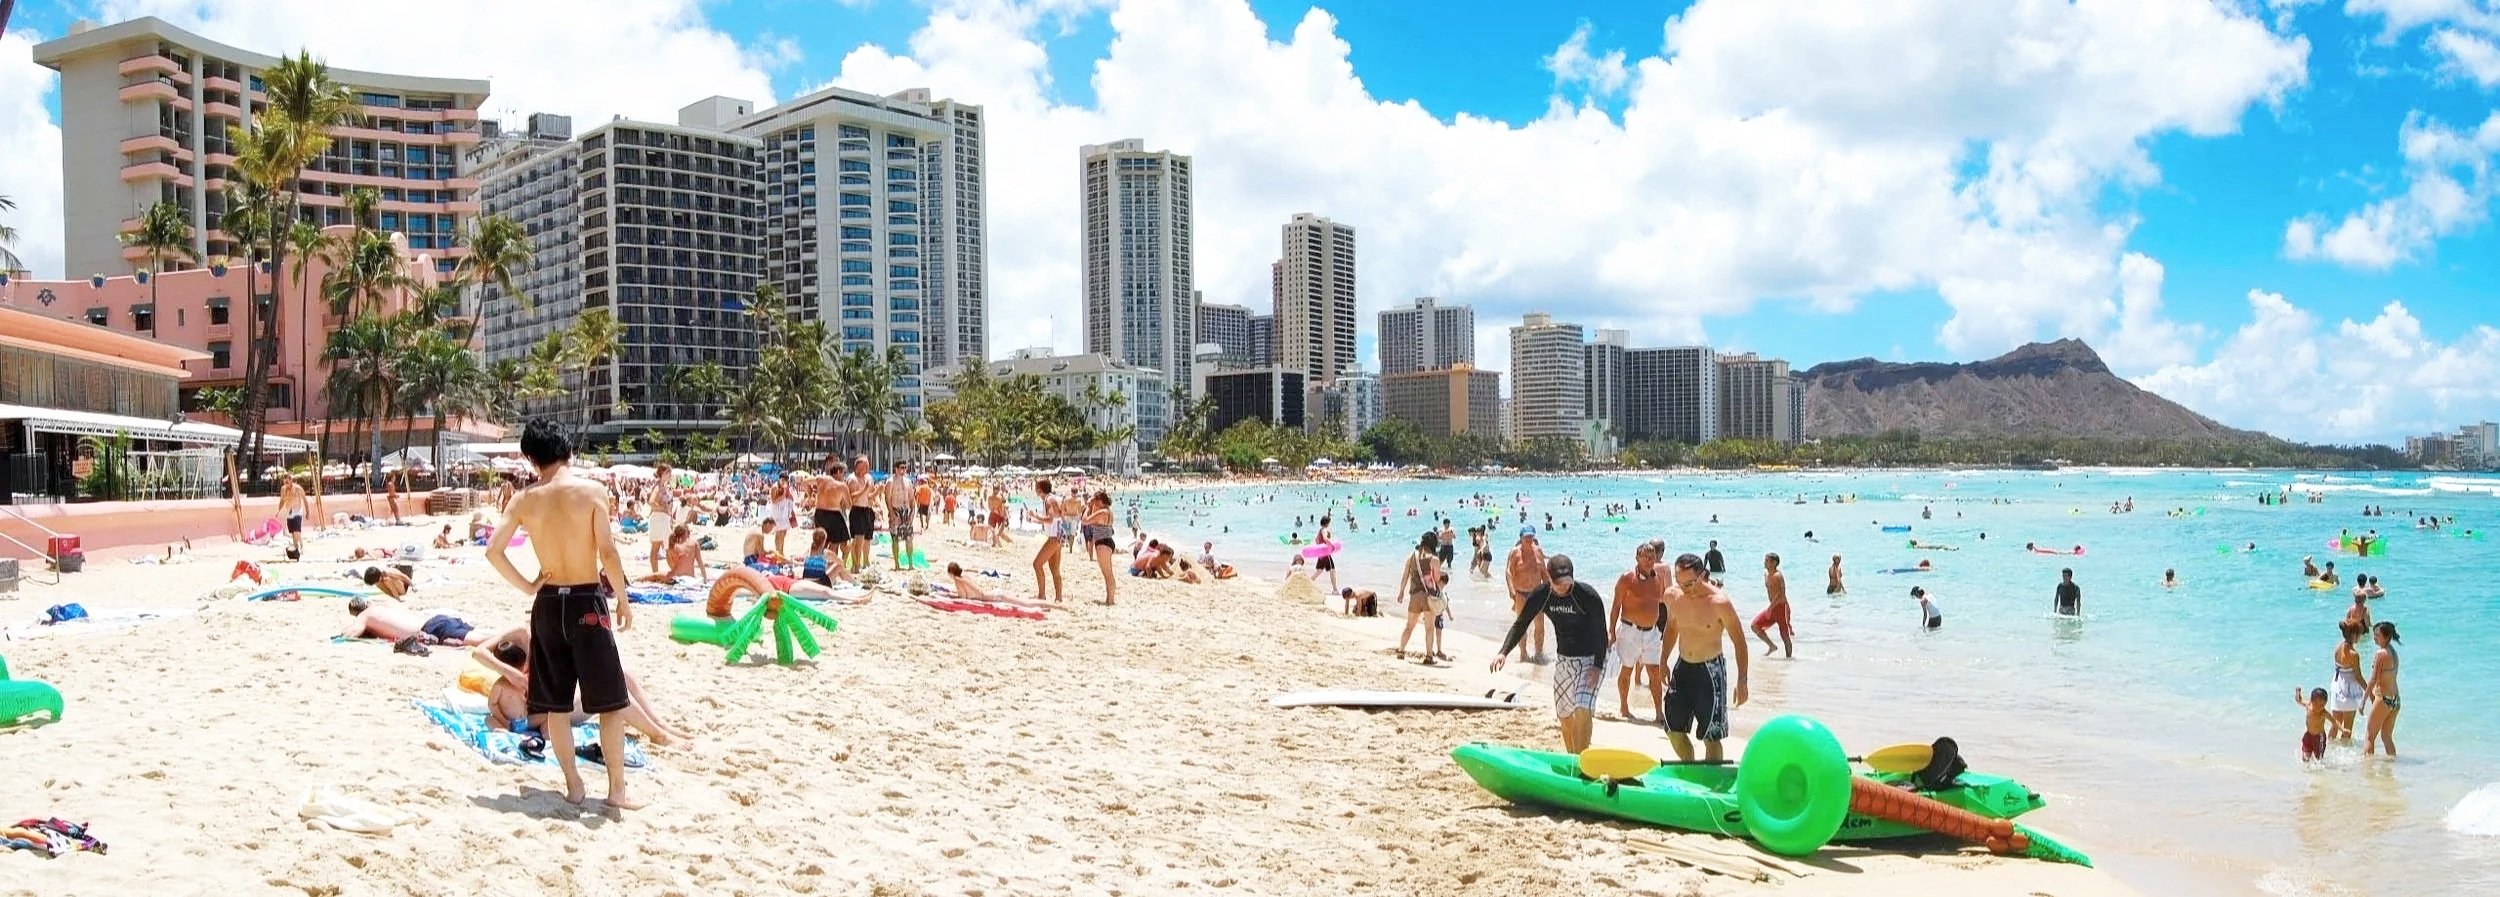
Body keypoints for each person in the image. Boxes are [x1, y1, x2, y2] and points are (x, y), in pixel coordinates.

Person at [482, 418, 645, 810]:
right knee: (608, 701)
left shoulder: (525, 499)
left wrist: (528, 586)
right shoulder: (591, 491)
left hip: (548, 602)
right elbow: (607, 552)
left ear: (531, 459)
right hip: (587, 599)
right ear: (568, 449)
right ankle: (617, 791)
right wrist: (622, 597)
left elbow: (493, 551)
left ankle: (573, 786)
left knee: (554, 703)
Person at [471, 626, 685, 747]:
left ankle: (659, 725)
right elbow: (478, 652)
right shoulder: (519, 636)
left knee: (623, 673)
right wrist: (510, 673)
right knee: (610, 688)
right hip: (548, 710)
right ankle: (658, 735)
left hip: (560, 694)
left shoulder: (548, 636)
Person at [1491, 555, 1610, 754]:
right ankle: (1573, 757)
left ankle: (1582, 761)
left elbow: (1601, 635)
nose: (1564, 588)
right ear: (1549, 578)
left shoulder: (1588, 596)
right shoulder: (1542, 595)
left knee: (1582, 708)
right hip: (1564, 661)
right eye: (1559, 584)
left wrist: (1598, 666)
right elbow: (1521, 623)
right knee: (1564, 716)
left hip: (1591, 659)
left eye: (1567, 583)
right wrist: (1503, 652)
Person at [1660, 552, 1750, 763]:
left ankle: (1712, 779)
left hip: (1710, 671)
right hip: (1683, 668)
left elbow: (1739, 642)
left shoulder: (1719, 602)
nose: (1685, 589)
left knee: (1711, 735)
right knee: (1673, 729)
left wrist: (1742, 680)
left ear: (1702, 575)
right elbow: (1672, 628)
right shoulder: (1673, 596)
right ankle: (1689, 767)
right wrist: (1663, 660)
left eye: (1690, 584)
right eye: (1680, 583)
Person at [1609, 541, 1669, 721]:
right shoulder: (1627, 578)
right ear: (1637, 557)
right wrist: (1611, 631)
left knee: (1654, 672)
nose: (1650, 560)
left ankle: (1659, 713)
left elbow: (1661, 605)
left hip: (1652, 632)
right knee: (1626, 670)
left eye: (1652, 557)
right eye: (1646, 557)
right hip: (1630, 631)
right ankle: (1624, 707)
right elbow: (1616, 605)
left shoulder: (1657, 578)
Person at [341, 595, 487, 645]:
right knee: (487, 635)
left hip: (430, 630)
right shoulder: (386, 604)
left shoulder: (365, 615)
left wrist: (347, 628)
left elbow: (351, 634)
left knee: (484, 642)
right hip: (437, 620)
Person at [1394, 531, 1444, 662]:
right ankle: (1429, 656)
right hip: (1428, 598)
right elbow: (1437, 579)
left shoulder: (1411, 556)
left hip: (1414, 596)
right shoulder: (1434, 559)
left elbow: (1405, 576)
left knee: (1409, 626)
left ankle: (1401, 650)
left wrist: (1401, 592)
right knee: (1429, 628)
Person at [1504, 527, 1550, 664]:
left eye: (1531, 537)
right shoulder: (1515, 553)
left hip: (1537, 594)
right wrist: (1511, 589)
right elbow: (1508, 572)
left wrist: (1550, 590)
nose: (1529, 540)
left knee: (1540, 625)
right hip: (1521, 594)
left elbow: (1544, 572)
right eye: (1526, 537)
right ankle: (1523, 653)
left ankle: (1538, 653)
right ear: (1521, 538)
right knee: (1521, 625)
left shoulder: (1538, 551)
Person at [1025, 480, 1066, 602]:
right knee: (1054, 569)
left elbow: (1049, 519)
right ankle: (1058, 598)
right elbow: (1054, 520)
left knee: (1037, 564)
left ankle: (1042, 595)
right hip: (1058, 537)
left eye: (1036, 487)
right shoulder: (1052, 498)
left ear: (1039, 489)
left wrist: (1035, 514)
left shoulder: (1048, 500)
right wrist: (1033, 520)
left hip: (1054, 537)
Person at [2326, 620, 2367, 741]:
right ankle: (2345, 756)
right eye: (2359, 634)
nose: (2360, 637)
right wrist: (2369, 692)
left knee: (2335, 725)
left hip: (2337, 687)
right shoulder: (2354, 654)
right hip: (2349, 691)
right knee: (2347, 729)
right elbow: (2358, 677)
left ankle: (2328, 748)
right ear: (2354, 635)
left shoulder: (2338, 648)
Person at [2364, 621, 2401, 757]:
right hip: (2395, 700)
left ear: (2386, 637)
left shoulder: (2381, 653)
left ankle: (2367, 771)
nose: (2374, 637)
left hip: (2383, 699)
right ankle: (2391, 768)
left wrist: (2363, 701)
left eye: (2377, 635)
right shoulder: (2394, 652)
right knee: (2386, 737)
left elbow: (2373, 680)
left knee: (2369, 736)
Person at [1751, 552, 1793, 657]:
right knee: (1755, 625)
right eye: (1765, 560)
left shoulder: (1778, 576)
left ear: (1774, 563)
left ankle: (1789, 659)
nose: (1764, 562)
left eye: (1767, 560)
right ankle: (1771, 646)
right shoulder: (1766, 574)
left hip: (1781, 607)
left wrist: (1771, 607)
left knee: (1784, 635)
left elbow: (1781, 594)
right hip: (1772, 607)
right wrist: (1770, 608)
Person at [810, 458, 849, 563]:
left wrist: (810, 494)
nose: (844, 476)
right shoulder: (841, 485)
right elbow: (849, 504)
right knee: (836, 543)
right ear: (839, 472)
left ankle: (816, 563)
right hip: (834, 513)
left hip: (819, 513)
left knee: (821, 541)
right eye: (844, 473)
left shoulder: (822, 479)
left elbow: (804, 482)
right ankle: (833, 564)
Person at [1084, 490, 1120, 606]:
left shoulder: (1103, 512)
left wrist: (1087, 507)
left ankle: (1110, 600)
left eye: (1095, 500)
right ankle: (1110, 599)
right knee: (1107, 573)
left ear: (1099, 501)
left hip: (1103, 543)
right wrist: (1091, 505)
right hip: (1106, 541)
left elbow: (1085, 521)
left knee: (1108, 574)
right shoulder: (1107, 511)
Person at [636, 524, 701, 583]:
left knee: (655, 575)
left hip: (678, 577)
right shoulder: (694, 544)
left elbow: (672, 565)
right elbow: (700, 563)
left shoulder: (675, 548)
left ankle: (634, 581)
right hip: (691, 577)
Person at [845, 455, 877, 575]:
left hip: (865, 509)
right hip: (856, 509)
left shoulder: (866, 478)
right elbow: (851, 497)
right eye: (866, 465)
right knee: (857, 539)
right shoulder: (852, 479)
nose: (868, 468)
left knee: (862, 538)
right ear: (859, 466)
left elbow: (867, 496)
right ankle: (855, 564)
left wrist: (876, 492)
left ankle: (859, 563)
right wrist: (864, 489)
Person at [885, 460, 918, 572]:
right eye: (901, 468)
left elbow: (912, 499)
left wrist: (912, 514)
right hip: (896, 510)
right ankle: (897, 564)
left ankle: (910, 564)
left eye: (905, 468)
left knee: (909, 539)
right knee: (895, 539)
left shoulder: (908, 482)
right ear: (896, 468)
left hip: (906, 511)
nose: (903, 470)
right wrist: (892, 514)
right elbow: (888, 499)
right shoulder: (890, 482)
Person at [278, 474, 309, 559]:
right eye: (285, 482)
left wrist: (307, 512)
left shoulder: (298, 489)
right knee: (292, 532)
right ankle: (296, 548)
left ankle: (302, 545)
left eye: (287, 482)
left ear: (291, 480)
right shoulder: (283, 489)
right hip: (289, 512)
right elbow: (282, 501)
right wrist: (278, 511)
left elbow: (305, 500)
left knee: (296, 531)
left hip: (297, 511)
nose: (286, 484)